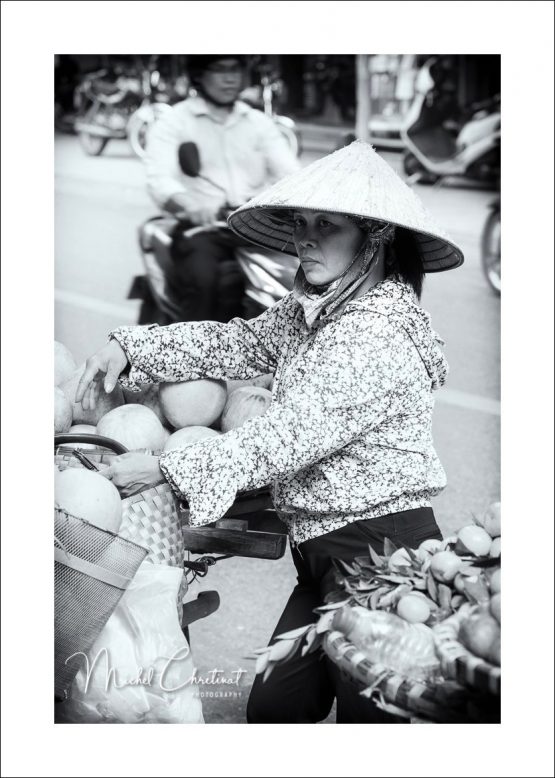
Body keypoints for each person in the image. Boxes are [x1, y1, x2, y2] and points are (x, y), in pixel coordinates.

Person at [76, 140, 464, 723]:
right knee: (277, 710)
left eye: (325, 226)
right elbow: (238, 342)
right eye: (300, 223)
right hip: (323, 557)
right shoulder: (318, 307)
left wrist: (166, 466)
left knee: (376, 722)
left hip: (380, 552)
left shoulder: (378, 332)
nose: (304, 239)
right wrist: (133, 345)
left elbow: (286, 436)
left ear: (375, 238)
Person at [144, 54, 298, 322]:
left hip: (258, 226)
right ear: (198, 76)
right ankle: (191, 358)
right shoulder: (175, 121)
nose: (230, 77)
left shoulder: (258, 122)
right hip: (205, 229)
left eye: (236, 69)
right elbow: (160, 179)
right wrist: (190, 204)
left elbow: (291, 173)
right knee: (204, 283)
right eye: (219, 69)